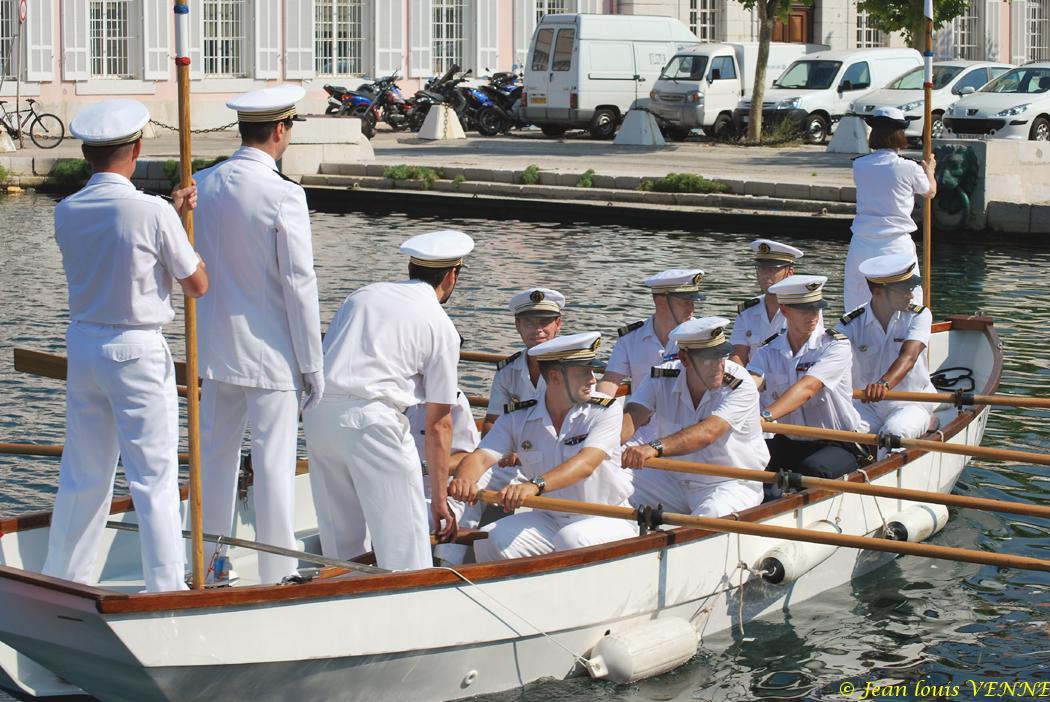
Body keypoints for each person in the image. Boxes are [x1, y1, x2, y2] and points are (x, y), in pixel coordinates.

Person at [43, 99, 208, 592]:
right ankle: (165, 587)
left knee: (83, 473)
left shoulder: (67, 210)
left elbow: (118, 245)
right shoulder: (152, 211)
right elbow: (197, 284)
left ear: (86, 153)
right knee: (153, 476)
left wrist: (169, 217)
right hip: (136, 349)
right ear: (136, 150)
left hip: (85, 344)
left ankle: (63, 580)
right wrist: (178, 227)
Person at [194, 85, 324, 584]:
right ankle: (276, 574)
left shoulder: (202, 183)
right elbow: (299, 283)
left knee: (215, 463)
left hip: (215, 351)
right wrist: (312, 364)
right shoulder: (284, 193)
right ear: (280, 130)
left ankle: (207, 567)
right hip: (271, 355)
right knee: (273, 470)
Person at [304, 230, 473, 571]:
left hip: (318, 415)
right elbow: (439, 424)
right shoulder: (440, 324)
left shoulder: (362, 296)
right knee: (405, 547)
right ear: (451, 277)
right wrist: (440, 500)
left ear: (411, 268)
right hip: (372, 420)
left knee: (342, 546)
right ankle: (411, 600)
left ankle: (344, 594)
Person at [449, 332, 635, 561]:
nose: (593, 380)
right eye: (583, 372)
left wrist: (533, 486)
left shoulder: (606, 410)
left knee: (572, 539)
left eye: (592, 371)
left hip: (606, 516)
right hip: (549, 517)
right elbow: (481, 457)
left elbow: (586, 463)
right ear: (555, 377)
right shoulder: (519, 414)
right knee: (489, 538)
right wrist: (464, 479)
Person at [621, 318, 768, 517]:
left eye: (722, 356)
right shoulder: (660, 377)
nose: (719, 366)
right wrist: (597, 446)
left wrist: (653, 447)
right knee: (611, 478)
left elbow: (708, 432)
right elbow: (632, 416)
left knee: (712, 512)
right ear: (684, 359)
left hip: (731, 482)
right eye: (709, 359)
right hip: (673, 479)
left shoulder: (740, 384)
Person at [747, 275, 868, 481]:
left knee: (812, 469)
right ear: (784, 310)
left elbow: (808, 388)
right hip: (789, 440)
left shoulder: (835, 346)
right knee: (746, 458)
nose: (813, 315)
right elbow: (751, 381)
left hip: (838, 441)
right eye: (804, 309)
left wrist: (765, 416)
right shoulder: (768, 350)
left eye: (816, 308)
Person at [844, 106, 937, 313]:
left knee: (857, 304)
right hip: (895, 244)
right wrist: (930, 171)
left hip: (862, 242)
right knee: (907, 302)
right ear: (900, 135)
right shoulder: (909, 167)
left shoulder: (859, 165)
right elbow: (930, 192)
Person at [837, 253, 935, 441]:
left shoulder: (920, 315)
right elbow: (831, 354)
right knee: (841, 430)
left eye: (911, 288)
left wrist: (883, 384)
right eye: (903, 290)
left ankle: (925, 422)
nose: (911, 295)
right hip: (867, 404)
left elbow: (909, 356)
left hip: (910, 403)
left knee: (893, 433)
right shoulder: (850, 323)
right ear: (878, 292)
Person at [596, 269, 704, 397]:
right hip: (640, 410)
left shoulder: (703, 338)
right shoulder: (630, 338)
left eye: (693, 302)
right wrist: (599, 405)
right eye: (685, 303)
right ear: (661, 302)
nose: (691, 308)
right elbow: (610, 380)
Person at [482, 287, 565, 434]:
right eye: (529, 323)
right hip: (516, 444)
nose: (538, 329)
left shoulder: (573, 368)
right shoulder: (507, 371)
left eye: (545, 322)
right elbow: (493, 420)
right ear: (518, 325)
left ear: (557, 324)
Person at [729, 239, 804, 367]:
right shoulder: (747, 312)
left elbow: (809, 355)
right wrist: (738, 377)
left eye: (773, 269)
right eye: (762, 268)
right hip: (751, 378)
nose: (765, 274)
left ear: (790, 273)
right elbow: (738, 354)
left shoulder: (804, 309)